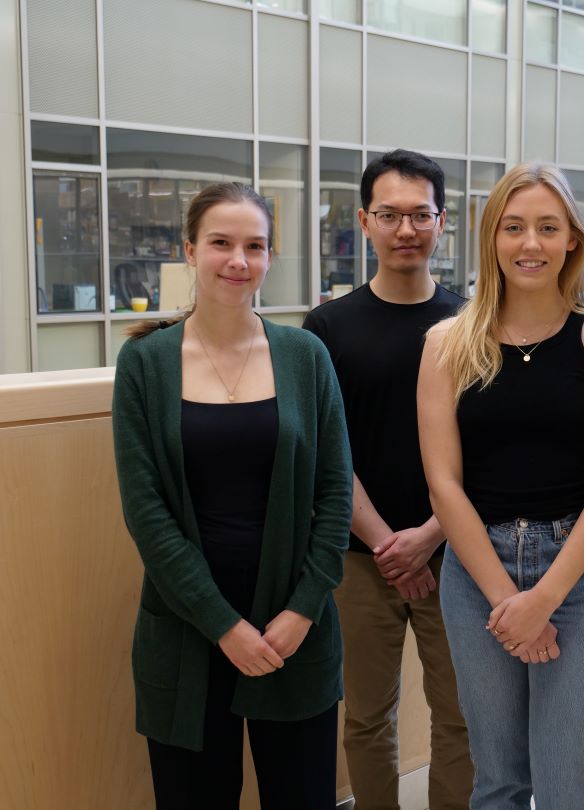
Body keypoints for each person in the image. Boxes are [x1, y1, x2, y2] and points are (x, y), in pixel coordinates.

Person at [112, 182, 353, 809]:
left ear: (271, 257)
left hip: (293, 630)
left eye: (254, 245)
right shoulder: (145, 363)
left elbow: (334, 494)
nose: (237, 260)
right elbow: (146, 512)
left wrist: (301, 611)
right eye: (220, 243)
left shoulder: (306, 356)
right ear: (189, 251)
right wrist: (225, 627)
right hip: (188, 629)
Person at [417, 162, 584, 809]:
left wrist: (543, 598)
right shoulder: (446, 345)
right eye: (513, 227)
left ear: (572, 238)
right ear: (491, 238)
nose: (530, 243)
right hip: (475, 569)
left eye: (547, 227)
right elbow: (443, 484)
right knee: (499, 780)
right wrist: (507, 600)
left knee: (569, 783)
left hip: (581, 573)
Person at [303, 149, 472, 810]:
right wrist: (387, 546)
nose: (407, 229)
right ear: (364, 221)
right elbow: (327, 450)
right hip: (361, 559)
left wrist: (430, 537)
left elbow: (482, 447)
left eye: (420, 215)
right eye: (390, 214)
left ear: (442, 220)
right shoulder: (328, 328)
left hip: (457, 555)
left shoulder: (470, 325)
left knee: (460, 717)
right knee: (368, 718)